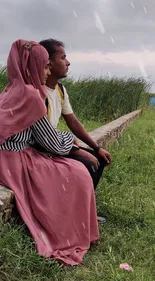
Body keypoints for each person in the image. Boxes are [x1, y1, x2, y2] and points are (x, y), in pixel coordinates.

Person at [0, 39, 99, 266]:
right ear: (31, 66)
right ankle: (69, 228)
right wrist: (71, 140)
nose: (46, 72)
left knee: (74, 168)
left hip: (4, 158)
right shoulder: (32, 95)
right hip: (15, 161)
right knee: (78, 172)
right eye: (44, 66)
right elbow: (52, 142)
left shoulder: (10, 90)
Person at [39, 38, 112, 191]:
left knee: (99, 159)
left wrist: (97, 148)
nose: (68, 63)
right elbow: (43, 137)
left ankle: (87, 209)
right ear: (48, 62)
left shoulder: (60, 90)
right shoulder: (38, 93)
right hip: (43, 148)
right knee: (88, 164)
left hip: (54, 143)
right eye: (63, 57)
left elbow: (72, 121)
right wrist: (75, 149)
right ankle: (75, 211)